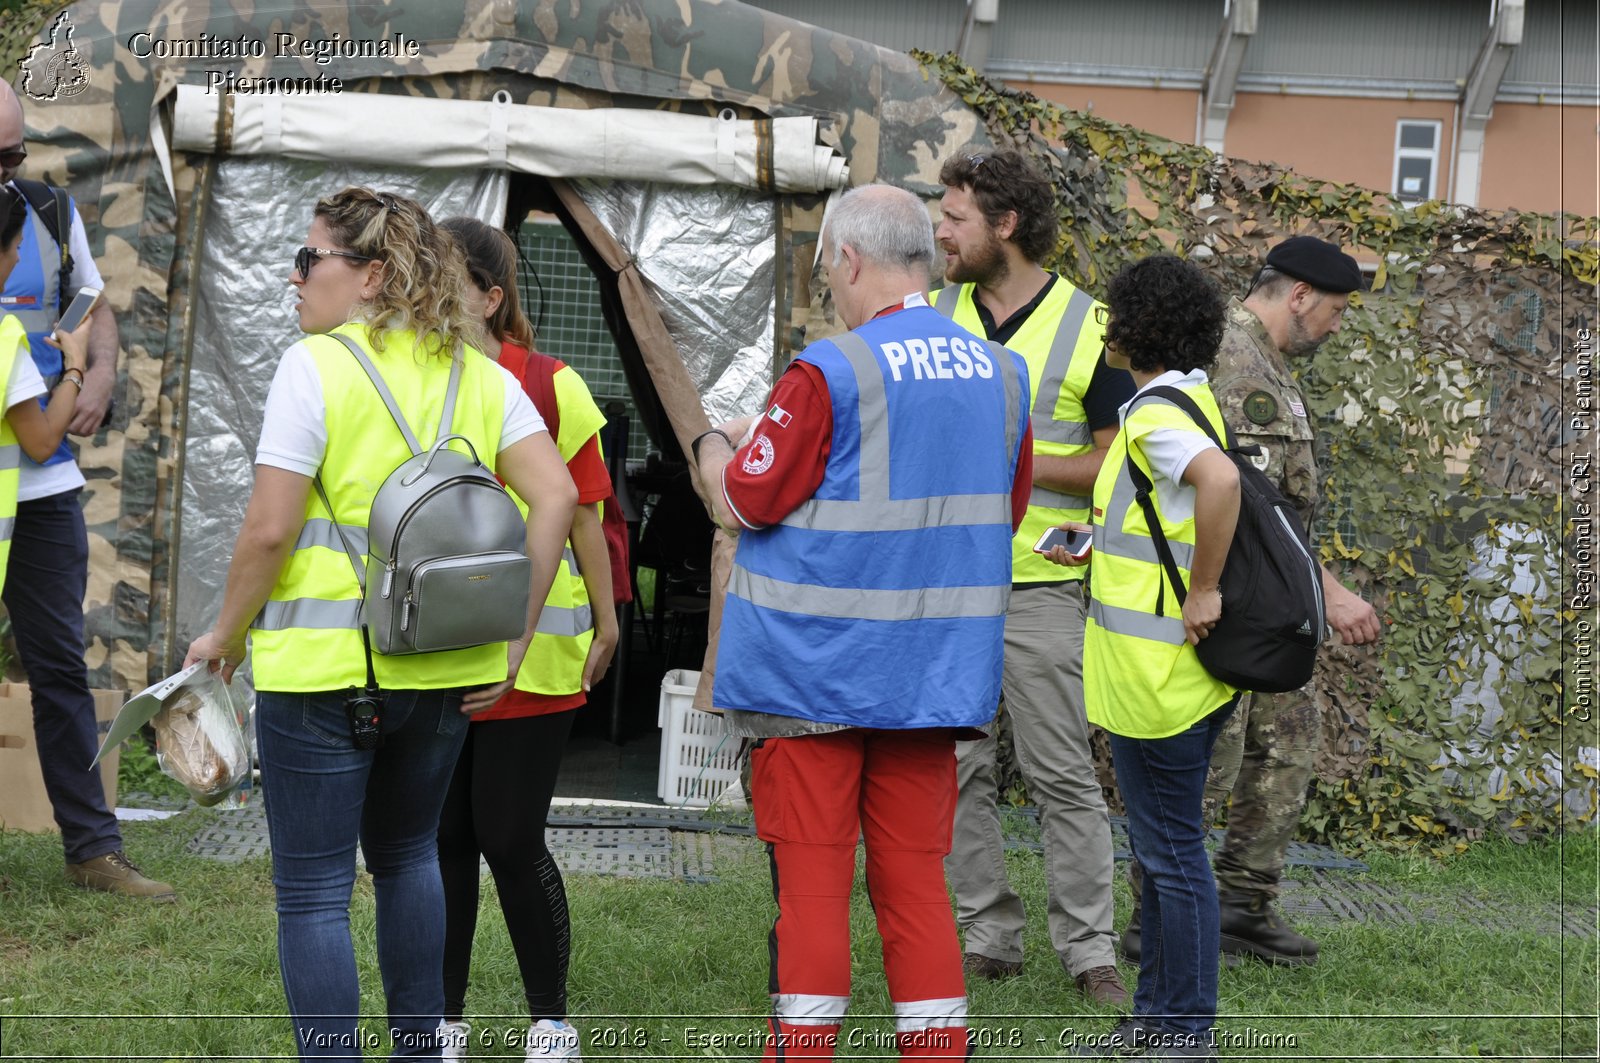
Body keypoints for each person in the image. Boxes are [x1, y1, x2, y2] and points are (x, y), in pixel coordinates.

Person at [184, 188, 577, 1062]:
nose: (294, 279)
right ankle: (420, 1050)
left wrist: (226, 634)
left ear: (369, 276)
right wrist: (513, 639)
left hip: (323, 674)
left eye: (309, 259)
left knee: (316, 894)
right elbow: (556, 493)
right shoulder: (481, 373)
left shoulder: (315, 366)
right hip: (442, 668)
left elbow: (271, 528)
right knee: (408, 860)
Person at [694, 183, 1032, 1062]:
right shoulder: (1002, 373)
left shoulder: (830, 371)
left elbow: (745, 499)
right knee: (917, 882)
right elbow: (1008, 506)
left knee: (812, 888)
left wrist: (713, 444)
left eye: (826, 270)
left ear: (849, 260)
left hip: (814, 677)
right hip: (932, 681)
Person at [930, 148, 1133, 1003]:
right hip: (943, 586)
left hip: (1044, 589)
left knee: (1061, 774)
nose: (939, 229)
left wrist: (1015, 461)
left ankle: (1090, 951)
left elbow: (1117, 461)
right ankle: (989, 936)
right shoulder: (930, 314)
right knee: (957, 770)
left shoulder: (1095, 328)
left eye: (956, 216)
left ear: (1005, 226)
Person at [433, 216, 619, 1063]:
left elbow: (587, 517)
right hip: (438, 648)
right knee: (444, 842)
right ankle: (444, 1020)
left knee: (508, 836)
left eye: (443, 277)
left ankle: (551, 1020)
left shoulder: (550, 383)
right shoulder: (417, 376)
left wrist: (610, 620)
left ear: (488, 296)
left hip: (534, 657)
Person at [1198, 236, 1382, 965]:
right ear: (1299, 294)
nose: (1336, 325)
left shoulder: (1271, 363)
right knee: (1214, 761)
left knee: (1286, 748)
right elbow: (1254, 499)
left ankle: (1243, 906)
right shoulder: (1231, 359)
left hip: (1273, 604)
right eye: (1334, 309)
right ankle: (1165, 917)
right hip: (1232, 605)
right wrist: (1330, 592)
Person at [1074, 254, 1240, 1060]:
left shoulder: (1150, 416)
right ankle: (1154, 1022)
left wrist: (1203, 589)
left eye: (1114, 314)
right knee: (1163, 853)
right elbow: (1159, 520)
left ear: (1137, 326)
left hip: (1160, 682)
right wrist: (1092, 544)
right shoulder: (1186, 399)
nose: (1106, 326)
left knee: (1173, 858)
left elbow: (1219, 484)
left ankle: (1187, 1031)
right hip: (1175, 680)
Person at [0, 81, 158, 899]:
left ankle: (93, 849)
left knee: (60, 661)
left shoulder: (46, 213)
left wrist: (97, 374)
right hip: (31, 446)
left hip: (42, 484)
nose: (7, 172)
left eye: (14, 156)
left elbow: (92, 304)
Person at [0, 185, 93, 582]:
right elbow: (40, 443)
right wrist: (74, 366)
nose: (19, 258)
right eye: (16, 248)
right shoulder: (6, 341)